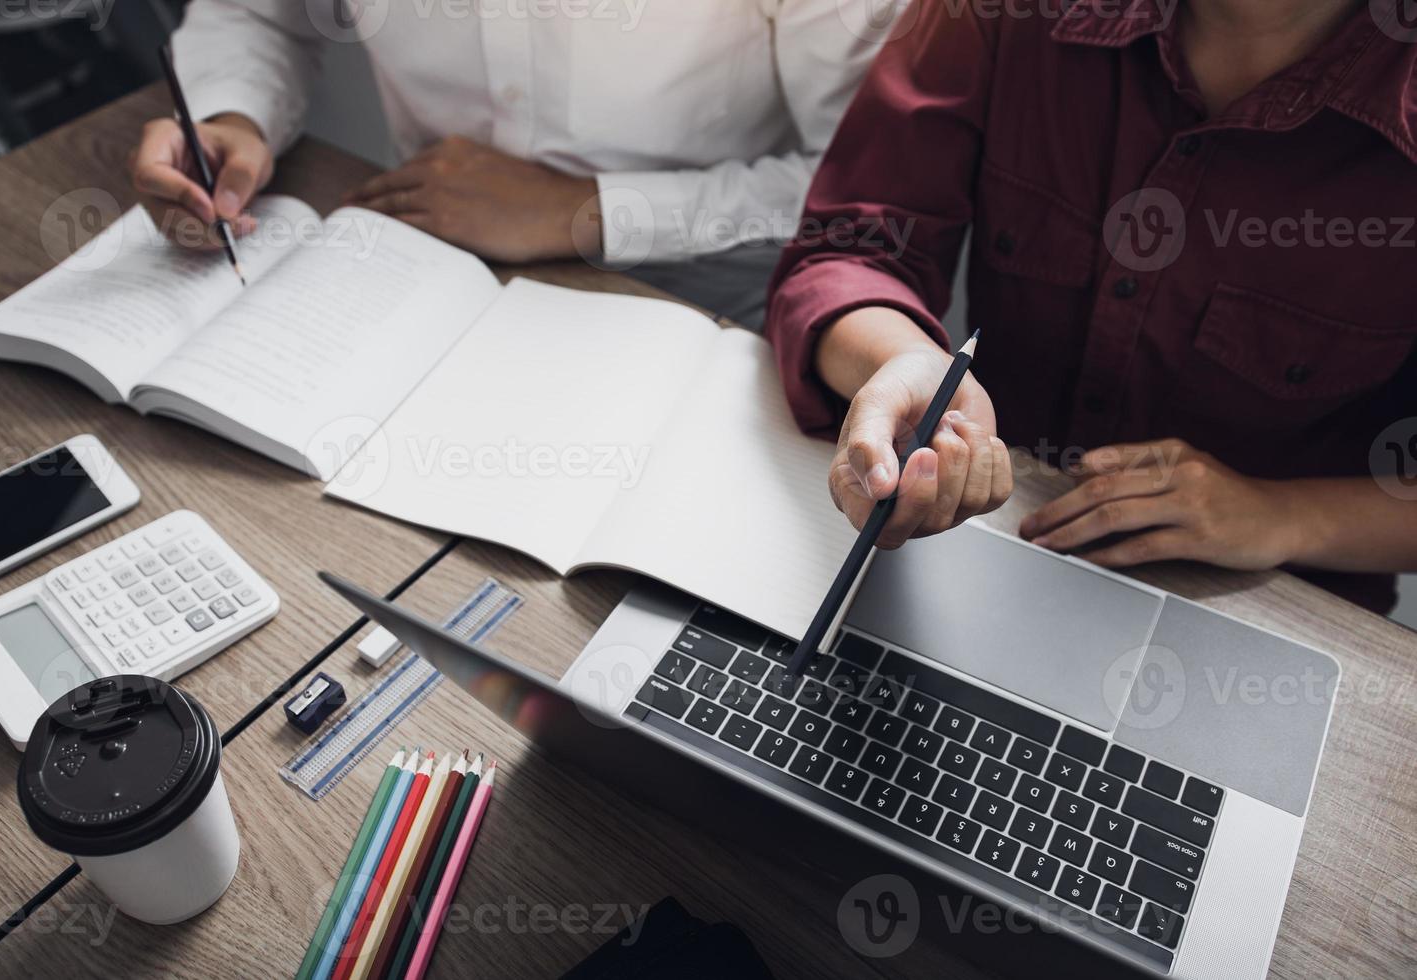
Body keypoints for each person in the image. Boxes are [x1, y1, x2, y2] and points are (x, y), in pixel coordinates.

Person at [768, 0, 1417, 611]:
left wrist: (1286, 516)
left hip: (1273, 603)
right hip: (978, 538)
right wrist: (903, 360)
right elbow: (852, 249)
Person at [127, 0, 894, 328]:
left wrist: (586, 210)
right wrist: (232, 112)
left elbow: (869, 190)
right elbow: (262, 11)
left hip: (704, 306)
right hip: (420, 262)